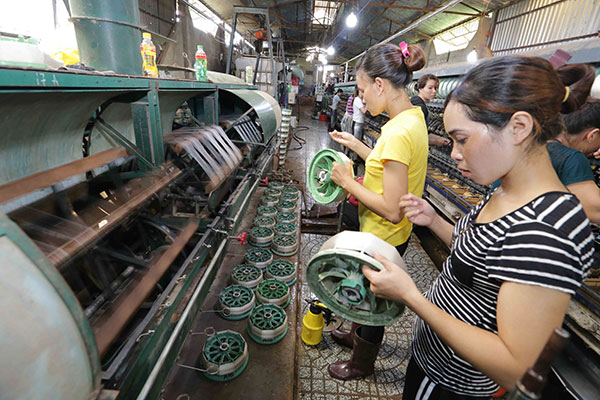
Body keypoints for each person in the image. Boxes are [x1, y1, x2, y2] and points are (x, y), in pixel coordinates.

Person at [363, 56, 595, 399]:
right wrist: (434, 220)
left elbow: (513, 367)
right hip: (433, 363)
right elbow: (482, 258)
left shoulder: (547, 230)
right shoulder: (505, 190)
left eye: (462, 139)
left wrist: (411, 296)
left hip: (454, 385)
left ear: (519, 127)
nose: (455, 153)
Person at [326, 41, 428, 381]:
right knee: (366, 290)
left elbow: (392, 209)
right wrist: (358, 146)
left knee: (372, 301)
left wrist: (347, 181)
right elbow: (390, 170)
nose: (361, 97)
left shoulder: (398, 132)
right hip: (390, 234)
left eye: (362, 89)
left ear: (380, 85)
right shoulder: (411, 118)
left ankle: (361, 363)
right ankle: (353, 337)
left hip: (385, 234)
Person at [411, 74, 451, 147]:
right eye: (430, 88)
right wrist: (436, 140)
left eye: (436, 88)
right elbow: (414, 135)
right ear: (420, 88)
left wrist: (438, 139)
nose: (434, 91)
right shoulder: (420, 108)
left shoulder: (415, 102)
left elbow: (421, 132)